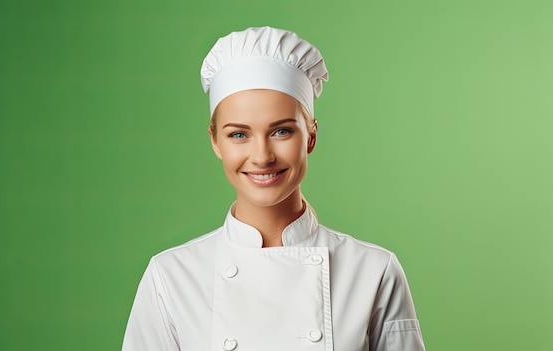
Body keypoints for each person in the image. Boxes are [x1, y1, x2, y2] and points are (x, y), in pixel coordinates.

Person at [122, 26, 426, 351]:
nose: (262, 156)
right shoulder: (170, 277)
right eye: (238, 134)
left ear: (310, 136)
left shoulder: (373, 271)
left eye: (281, 131)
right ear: (215, 142)